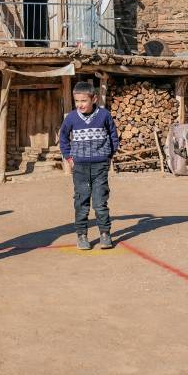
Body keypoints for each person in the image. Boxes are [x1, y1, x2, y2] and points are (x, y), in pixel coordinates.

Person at [58, 81, 120, 250]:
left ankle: (105, 234)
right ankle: (82, 235)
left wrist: (109, 155)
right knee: (81, 202)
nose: (80, 104)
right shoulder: (71, 118)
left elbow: (113, 136)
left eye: (83, 101)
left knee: (100, 202)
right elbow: (63, 138)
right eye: (77, 101)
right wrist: (69, 157)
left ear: (94, 99)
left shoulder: (104, 115)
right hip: (80, 168)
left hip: (100, 166)